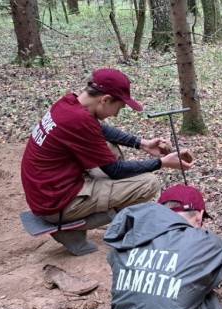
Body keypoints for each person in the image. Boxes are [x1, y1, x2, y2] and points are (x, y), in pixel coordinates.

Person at [20, 68, 193, 256]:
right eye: (119, 107)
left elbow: (99, 130)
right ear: (105, 99)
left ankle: (101, 215)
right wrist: (162, 163)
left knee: (110, 147)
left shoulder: (69, 103)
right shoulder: (77, 119)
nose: (117, 114)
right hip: (56, 205)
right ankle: (71, 228)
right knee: (148, 184)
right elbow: (115, 170)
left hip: (47, 191)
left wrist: (141, 144)